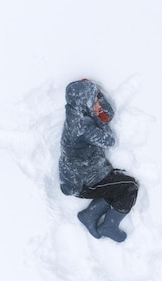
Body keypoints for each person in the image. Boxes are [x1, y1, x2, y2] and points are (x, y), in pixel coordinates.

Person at [59, 79, 139, 243]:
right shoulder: (81, 126)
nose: (98, 104)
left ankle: (90, 215)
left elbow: (107, 115)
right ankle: (109, 226)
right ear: (85, 103)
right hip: (83, 183)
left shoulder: (77, 114)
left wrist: (96, 96)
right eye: (94, 101)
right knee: (130, 187)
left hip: (89, 174)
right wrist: (99, 117)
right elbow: (109, 140)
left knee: (118, 183)